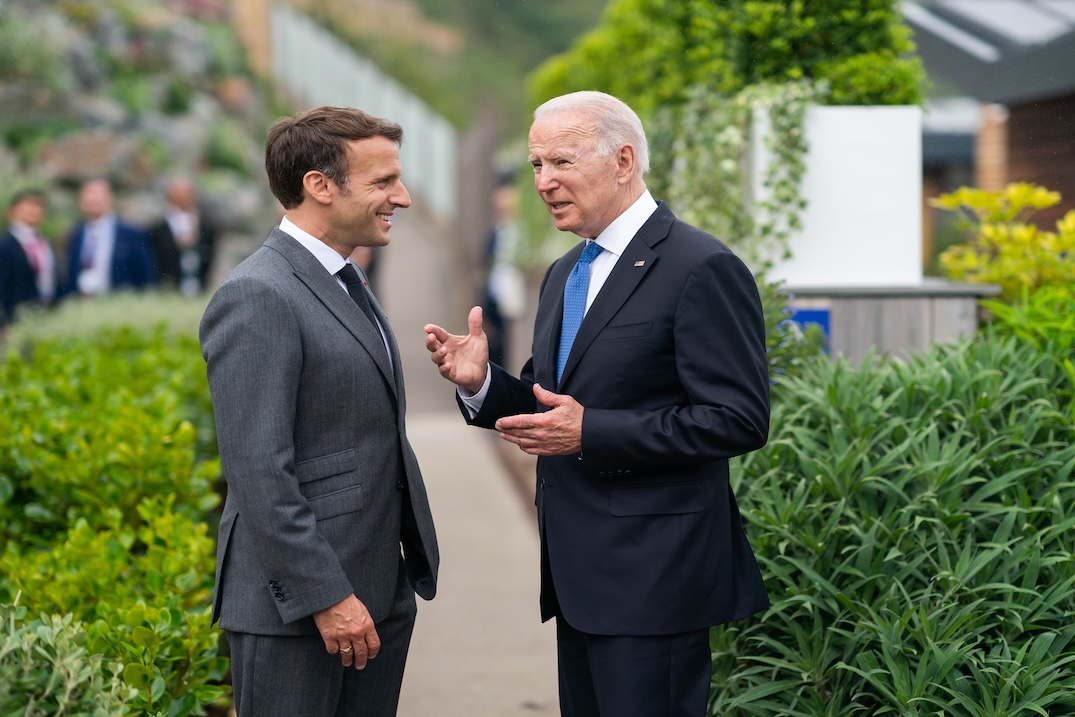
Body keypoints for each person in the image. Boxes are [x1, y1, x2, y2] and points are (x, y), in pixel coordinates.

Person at [424, 91, 770, 717]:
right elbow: (547, 403)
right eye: (535, 165)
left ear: (623, 161)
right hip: (578, 577)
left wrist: (593, 433)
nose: (543, 182)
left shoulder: (701, 267)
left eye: (561, 161)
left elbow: (738, 418)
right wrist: (479, 383)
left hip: (656, 579)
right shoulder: (565, 273)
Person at [199, 105, 438, 717]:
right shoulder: (258, 294)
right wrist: (326, 595)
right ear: (319, 186)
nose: (402, 197)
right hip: (303, 610)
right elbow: (257, 471)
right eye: (383, 182)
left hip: (377, 593)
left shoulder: (345, 279)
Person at [62, 178, 157, 297]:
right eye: (89, 195)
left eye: (99, 195)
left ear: (110, 199)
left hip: (119, 304)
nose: (93, 199)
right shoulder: (76, 235)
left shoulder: (131, 234)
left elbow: (146, 277)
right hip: (83, 305)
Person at [480, 175, 526, 368]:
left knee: (503, 338)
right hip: (495, 288)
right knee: (495, 336)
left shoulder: (513, 231)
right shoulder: (498, 229)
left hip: (505, 288)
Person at [146, 176, 218, 295]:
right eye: (179, 194)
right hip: (168, 290)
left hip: (199, 288)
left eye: (188, 193)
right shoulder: (158, 230)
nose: (185, 197)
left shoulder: (207, 227)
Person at [0, 189, 58, 331]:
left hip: (45, 317)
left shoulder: (45, 244)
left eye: (38, 206)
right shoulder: (4, 245)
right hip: (14, 320)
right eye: (28, 205)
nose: (33, 210)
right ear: (12, 211)